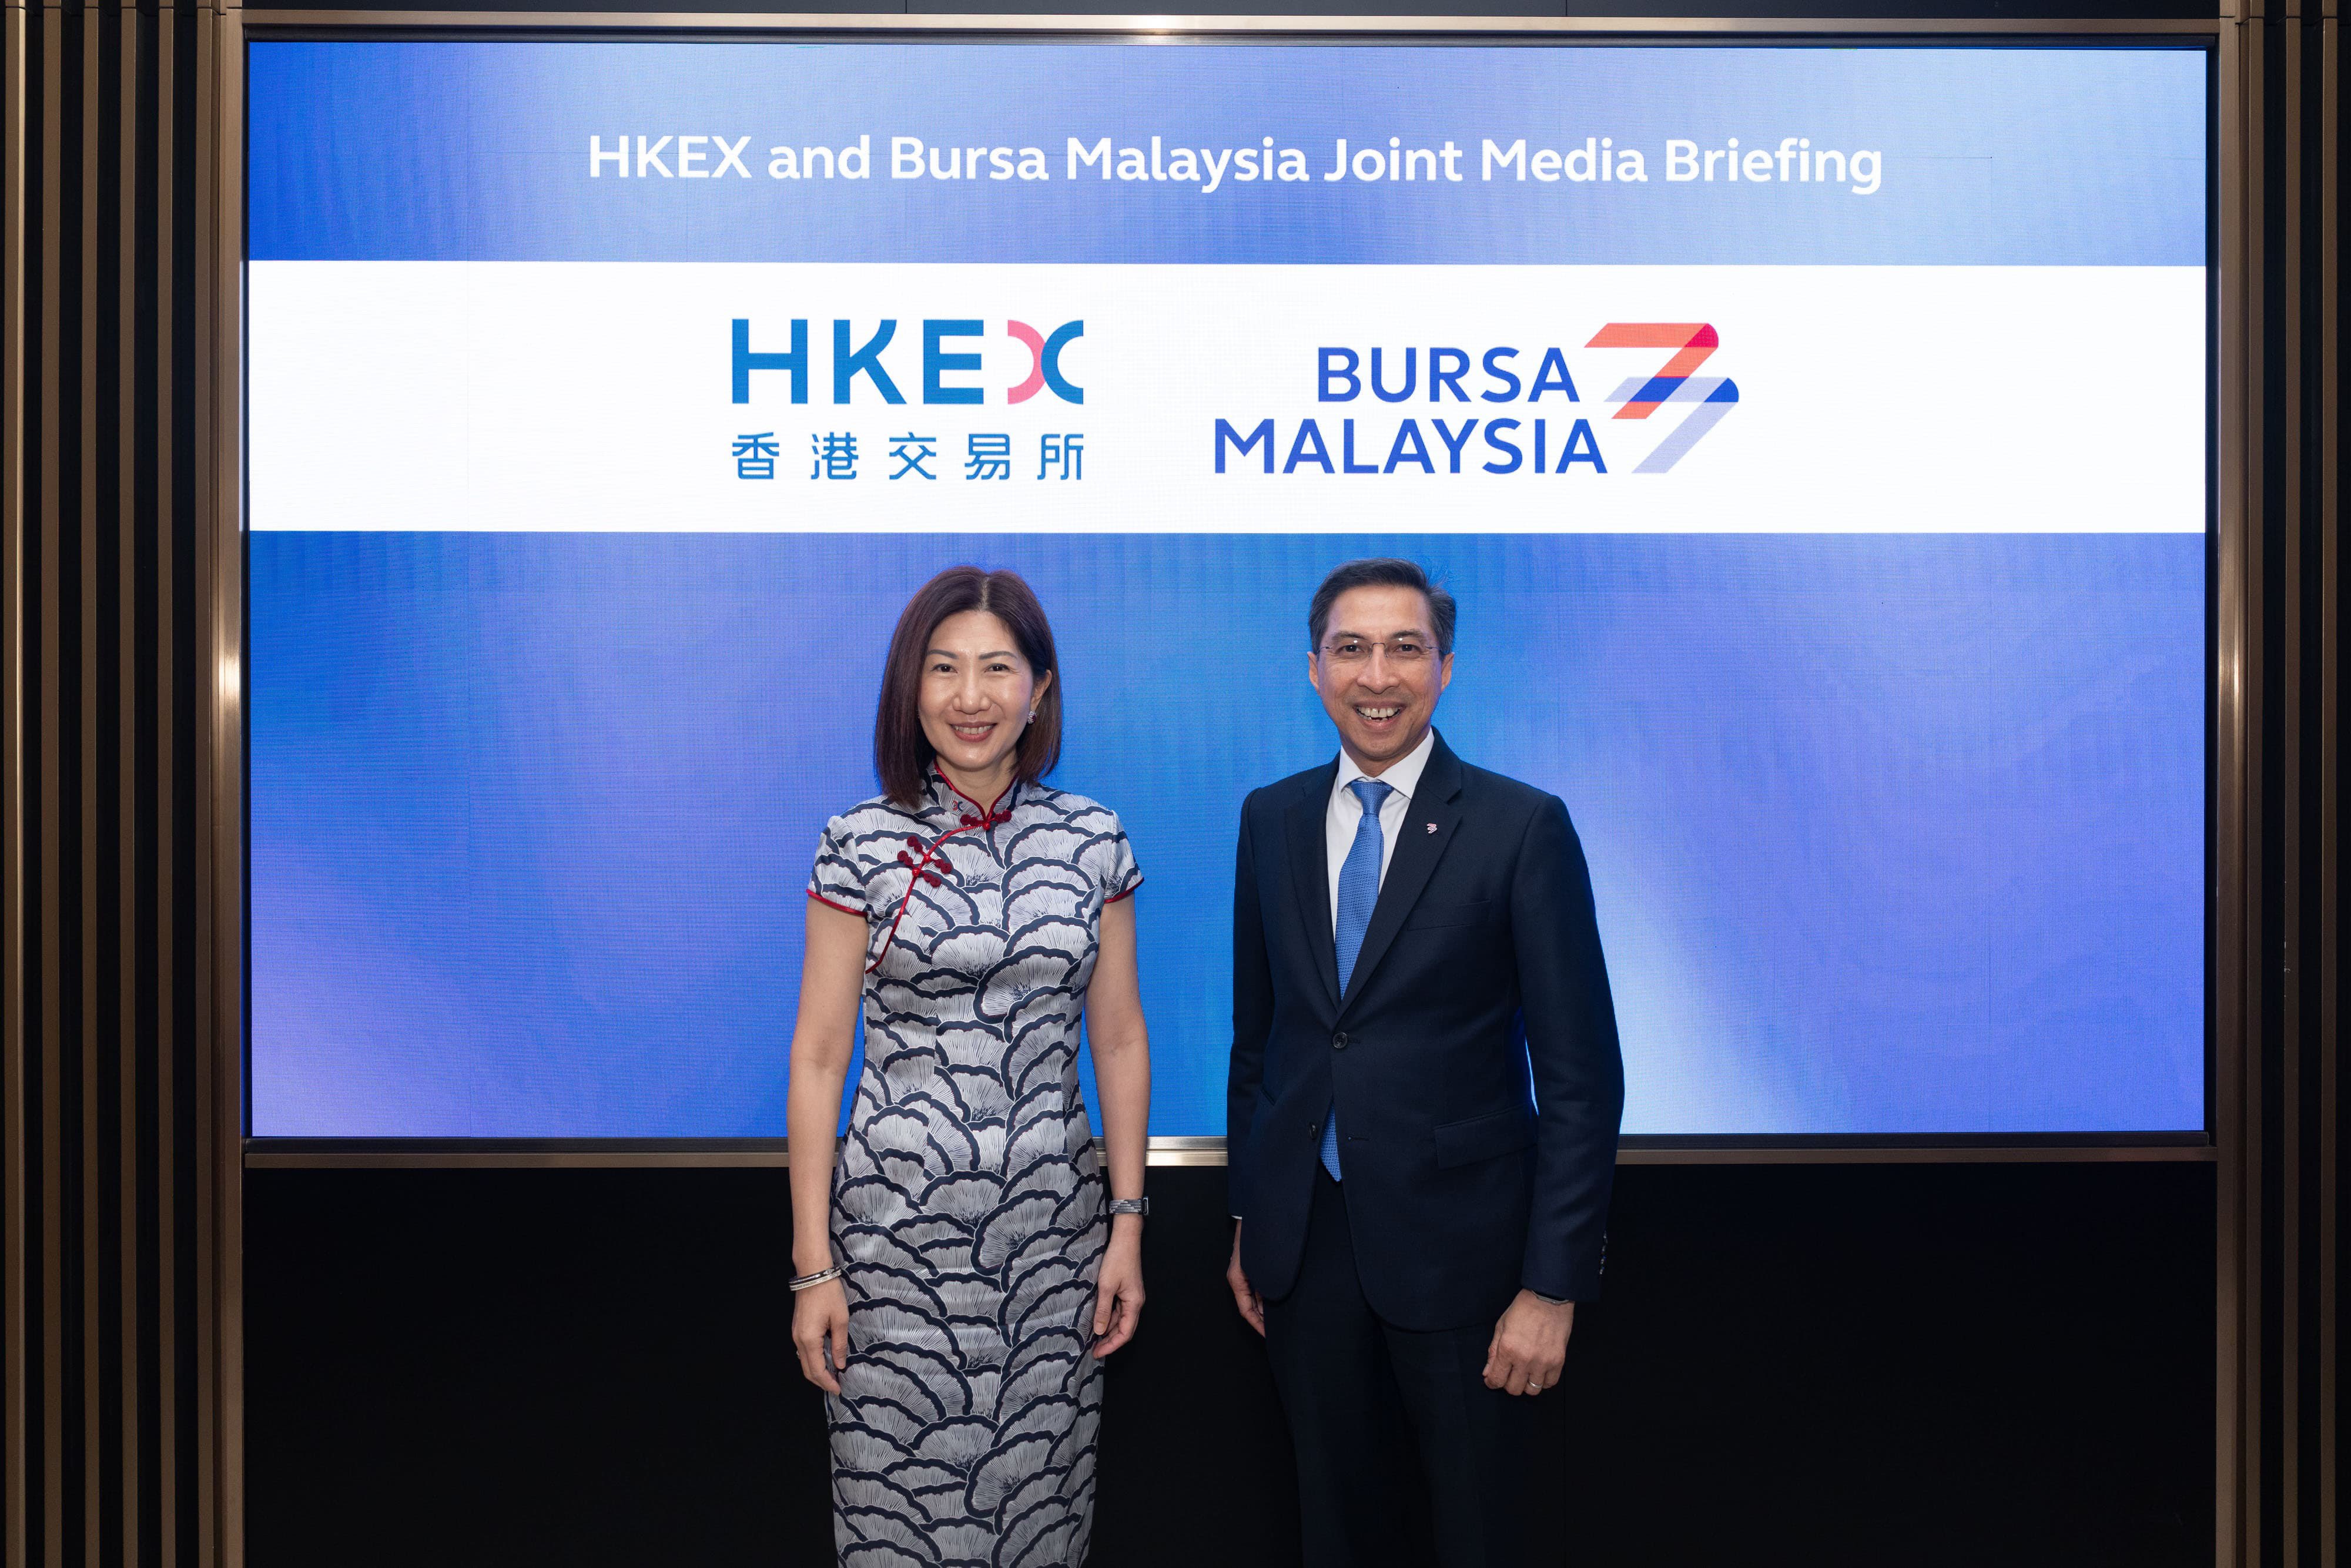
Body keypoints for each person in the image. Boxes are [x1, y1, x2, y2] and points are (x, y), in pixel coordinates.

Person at [1225, 558, 1624, 1568]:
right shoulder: (1270, 819)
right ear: (1313, 669)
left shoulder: (1521, 826)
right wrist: (1249, 1217)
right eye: (1350, 649)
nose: (1378, 675)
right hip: (1304, 1254)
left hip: (1470, 1263)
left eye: (1406, 649)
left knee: (1475, 1536)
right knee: (1332, 1531)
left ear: (1446, 668)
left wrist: (1552, 1286)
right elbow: (1259, 1039)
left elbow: (1582, 1078)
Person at [787, 565, 1151, 1568]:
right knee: (895, 1531)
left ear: (1039, 687)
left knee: (1042, 1525)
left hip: (1053, 1253)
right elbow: (820, 1056)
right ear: (912, 689)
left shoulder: (1093, 838)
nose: (970, 696)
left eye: (997, 668)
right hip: (892, 1255)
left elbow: (1117, 1037)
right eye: (943, 669)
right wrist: (813, 1265)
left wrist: (1127, 1226)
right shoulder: (857, 842)